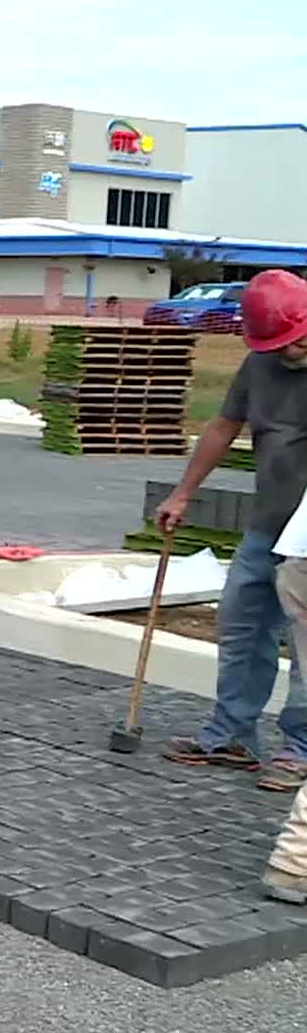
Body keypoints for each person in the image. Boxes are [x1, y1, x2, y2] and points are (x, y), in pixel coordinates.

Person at [156, 268, 307, 792]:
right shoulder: (260, 362)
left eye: (298, 339)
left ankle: (301, 749)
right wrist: (183, 492)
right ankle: (233, 736)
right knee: (242, 625)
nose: (293, 351)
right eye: (284, 344)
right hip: (268, 525)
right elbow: (224, 425)